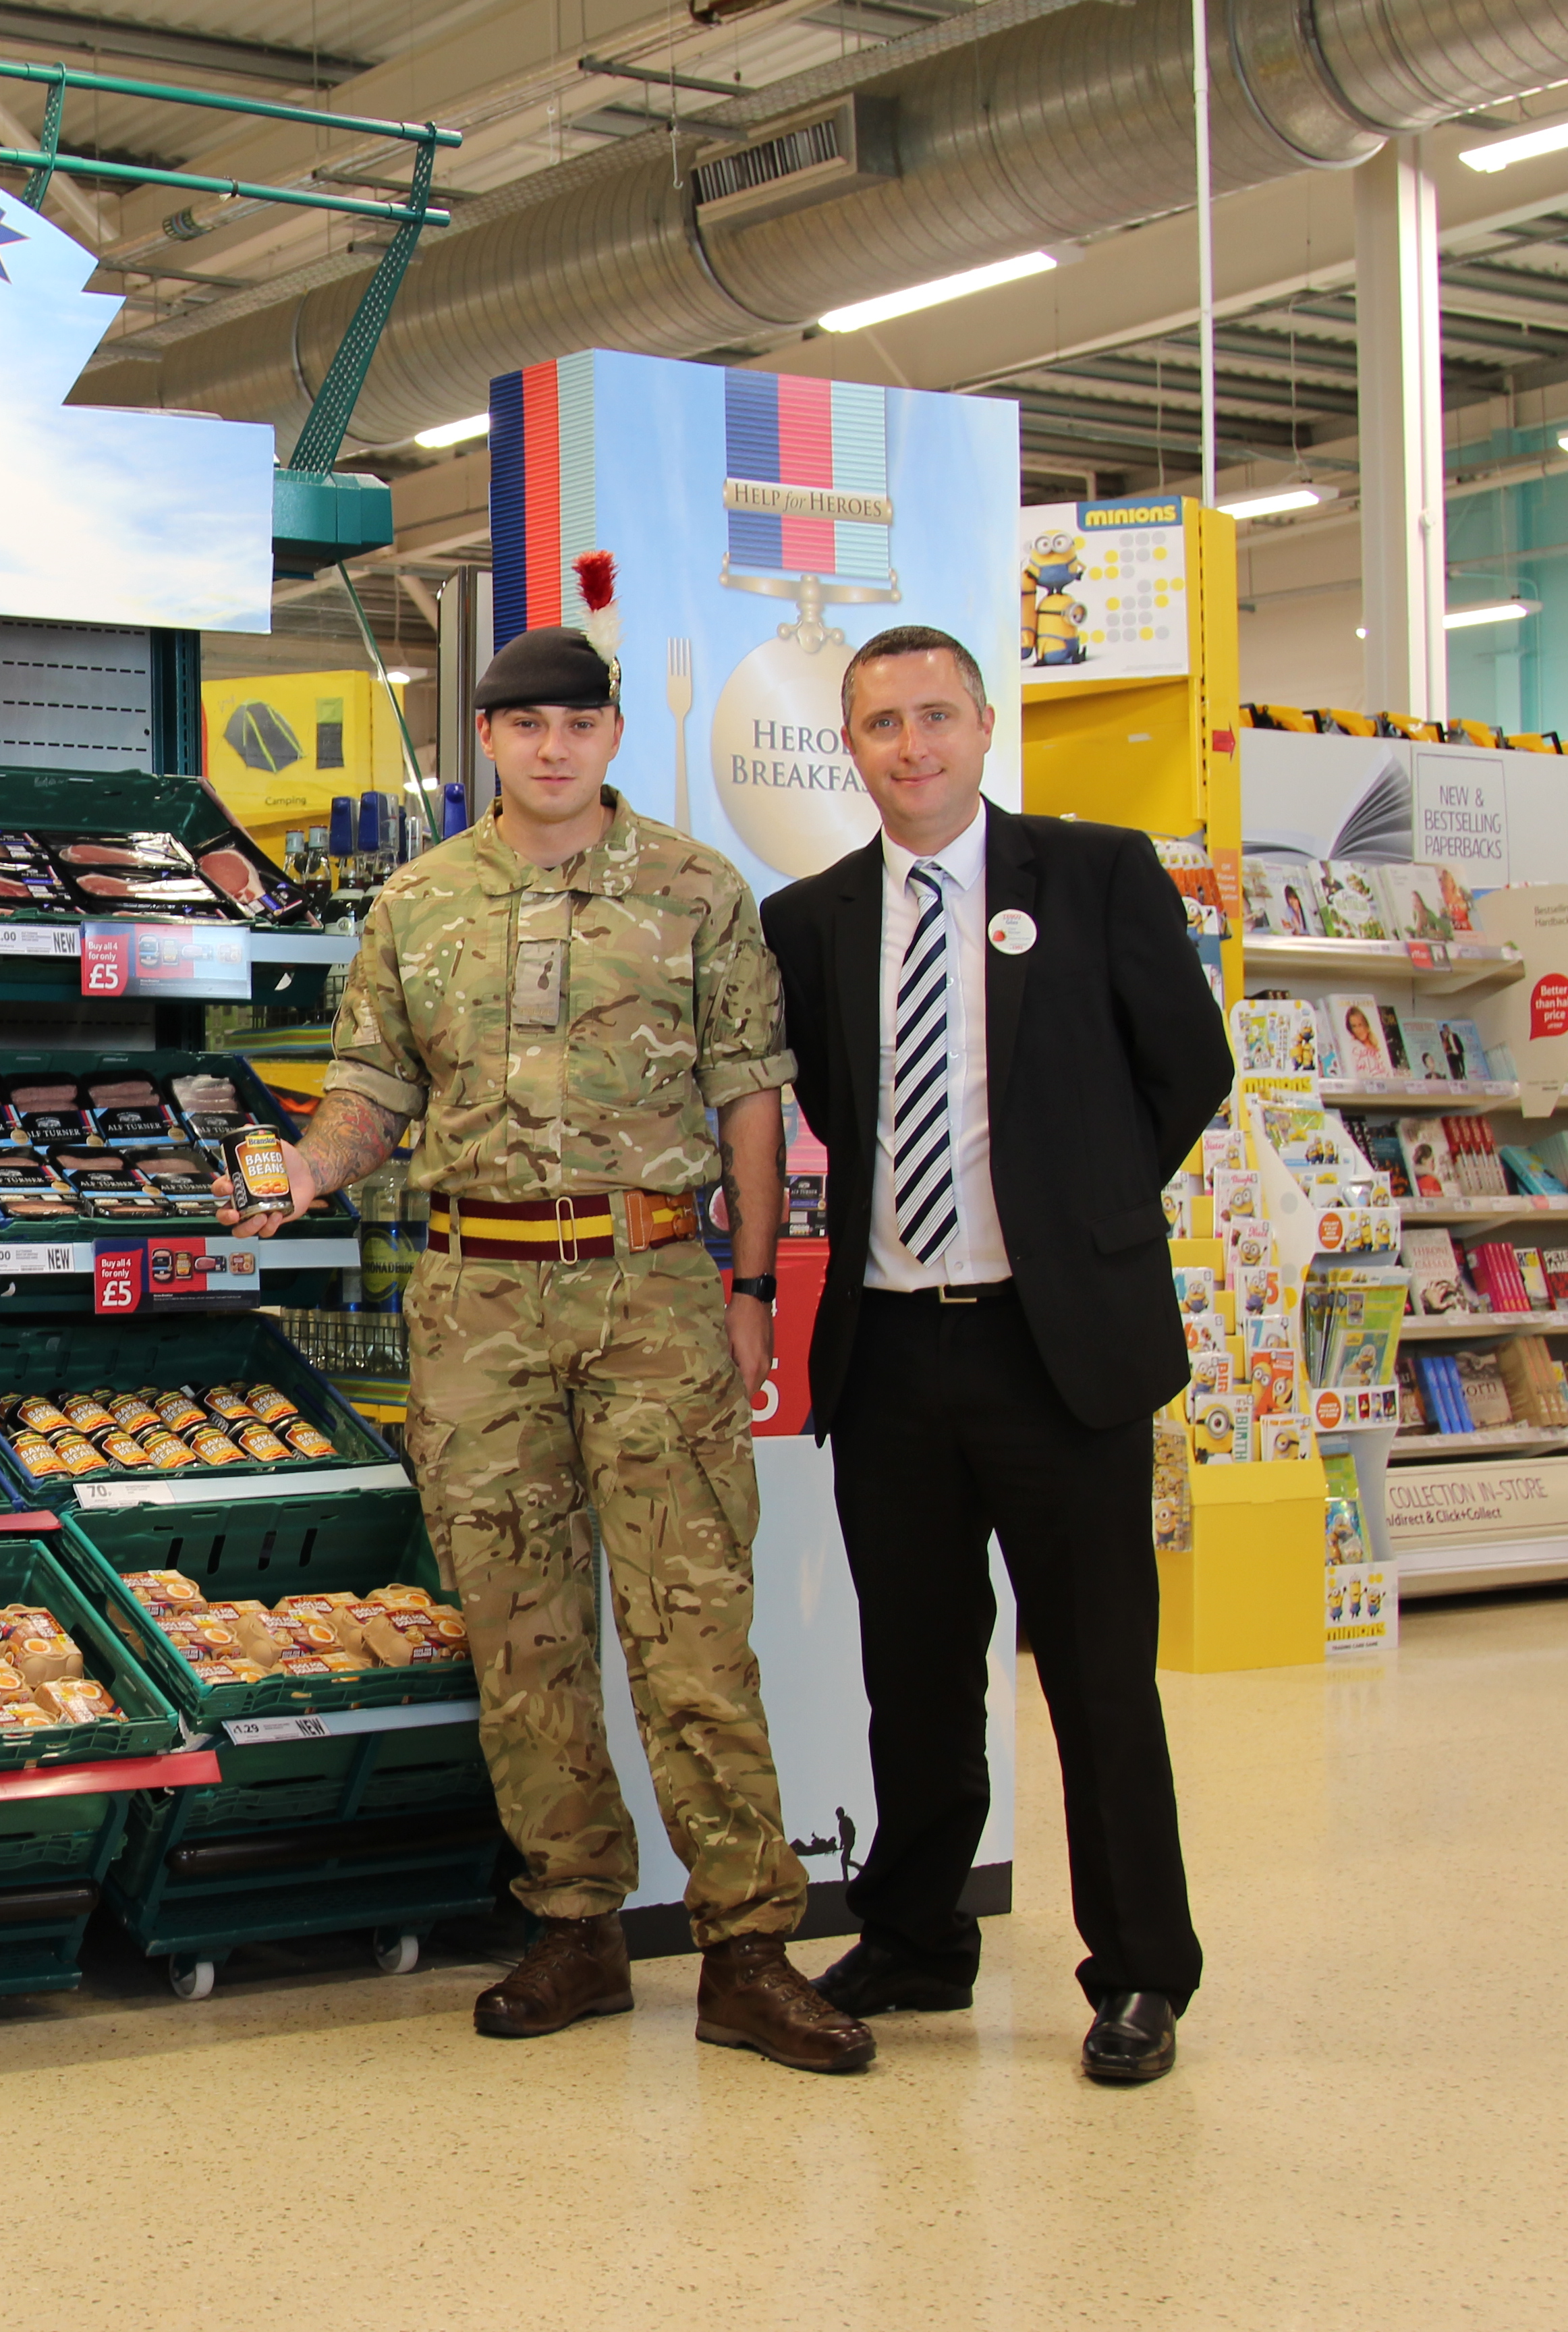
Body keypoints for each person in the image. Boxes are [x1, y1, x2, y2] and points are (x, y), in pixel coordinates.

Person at [229, 610, 872, 2074]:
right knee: (520, 1633)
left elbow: (751, 1101)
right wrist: (307, 1171)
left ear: (612, 737)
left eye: (578, 723)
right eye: (526, 726)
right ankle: (575, 1918)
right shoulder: (419, 900)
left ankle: (747, 1947)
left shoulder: (699, 891)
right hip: (474, 1308)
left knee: (691, 1624)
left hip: (651, 1291)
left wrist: (757, 1284)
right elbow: (369, 1089)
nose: (553, 746)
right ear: (492, 742)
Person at [760, 624, 1235, 2086]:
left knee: (1099, 1676)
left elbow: (1189, 1067)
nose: (914, 746)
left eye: (938, 717)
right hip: (892, 1346)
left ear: (983, 728)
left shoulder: (1093, 876)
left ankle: (1143, 1972)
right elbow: (836, 1104)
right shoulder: (813, 917)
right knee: (911, 1668)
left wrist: (1075, 1213)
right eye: (884, 723)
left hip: (1059, 1349)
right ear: (850, 745)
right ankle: (914, 1936)